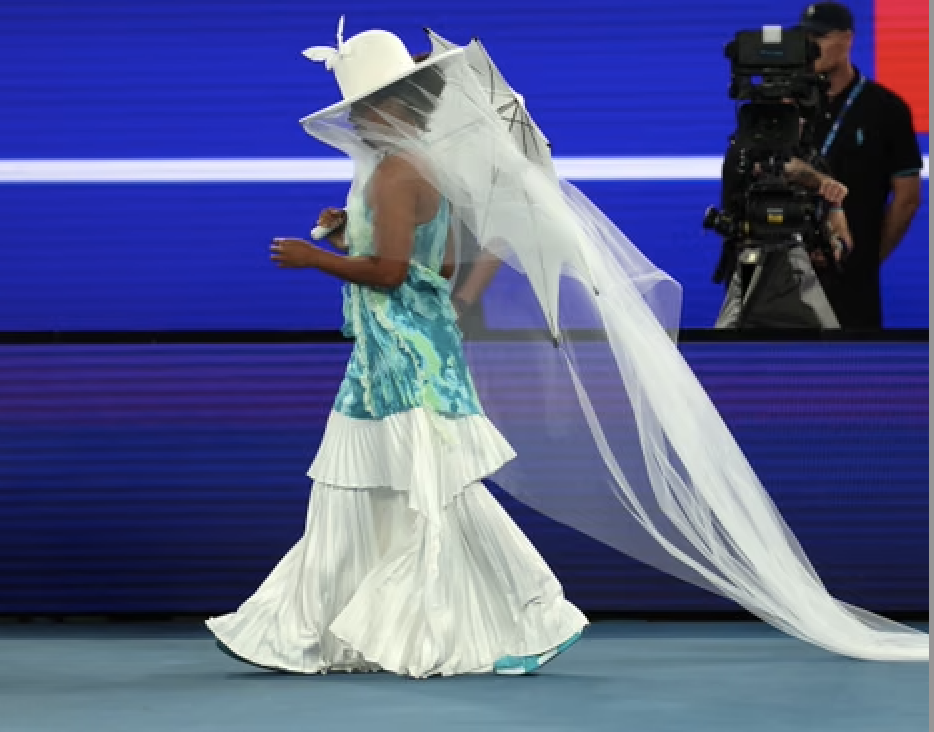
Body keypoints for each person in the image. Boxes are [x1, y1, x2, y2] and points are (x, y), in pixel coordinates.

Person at [205, 29, 586, 679]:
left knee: (438, 493)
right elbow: (437, 262)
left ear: (398, 109)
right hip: (394, 354)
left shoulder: (394, 173)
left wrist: (315, 257)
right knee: (359, 491)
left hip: (408, 360)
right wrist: (347, 234)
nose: (357, 118)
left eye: (366, 105)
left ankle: (541, 615)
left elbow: (389, 272)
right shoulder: (421, 171)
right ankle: (298, 632)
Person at [799, 1, 923, 329]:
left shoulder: (886, 109)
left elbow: (908, 198)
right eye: (806, 38)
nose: (811, 46)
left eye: (820, 37)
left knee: (853, 360)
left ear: (847, 39)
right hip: (788, 275)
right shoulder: (787, 107)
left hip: (852, 282)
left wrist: (866, 258)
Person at [715, 99, 854, 329]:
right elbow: (785, 168)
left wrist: (833, 246)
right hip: (753, 275)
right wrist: (820, 181)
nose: (779, 127)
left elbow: (842, 237)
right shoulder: (742, 162)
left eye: (788, 117)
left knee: (829, 346)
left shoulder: (816, 163)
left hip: (804, 288)